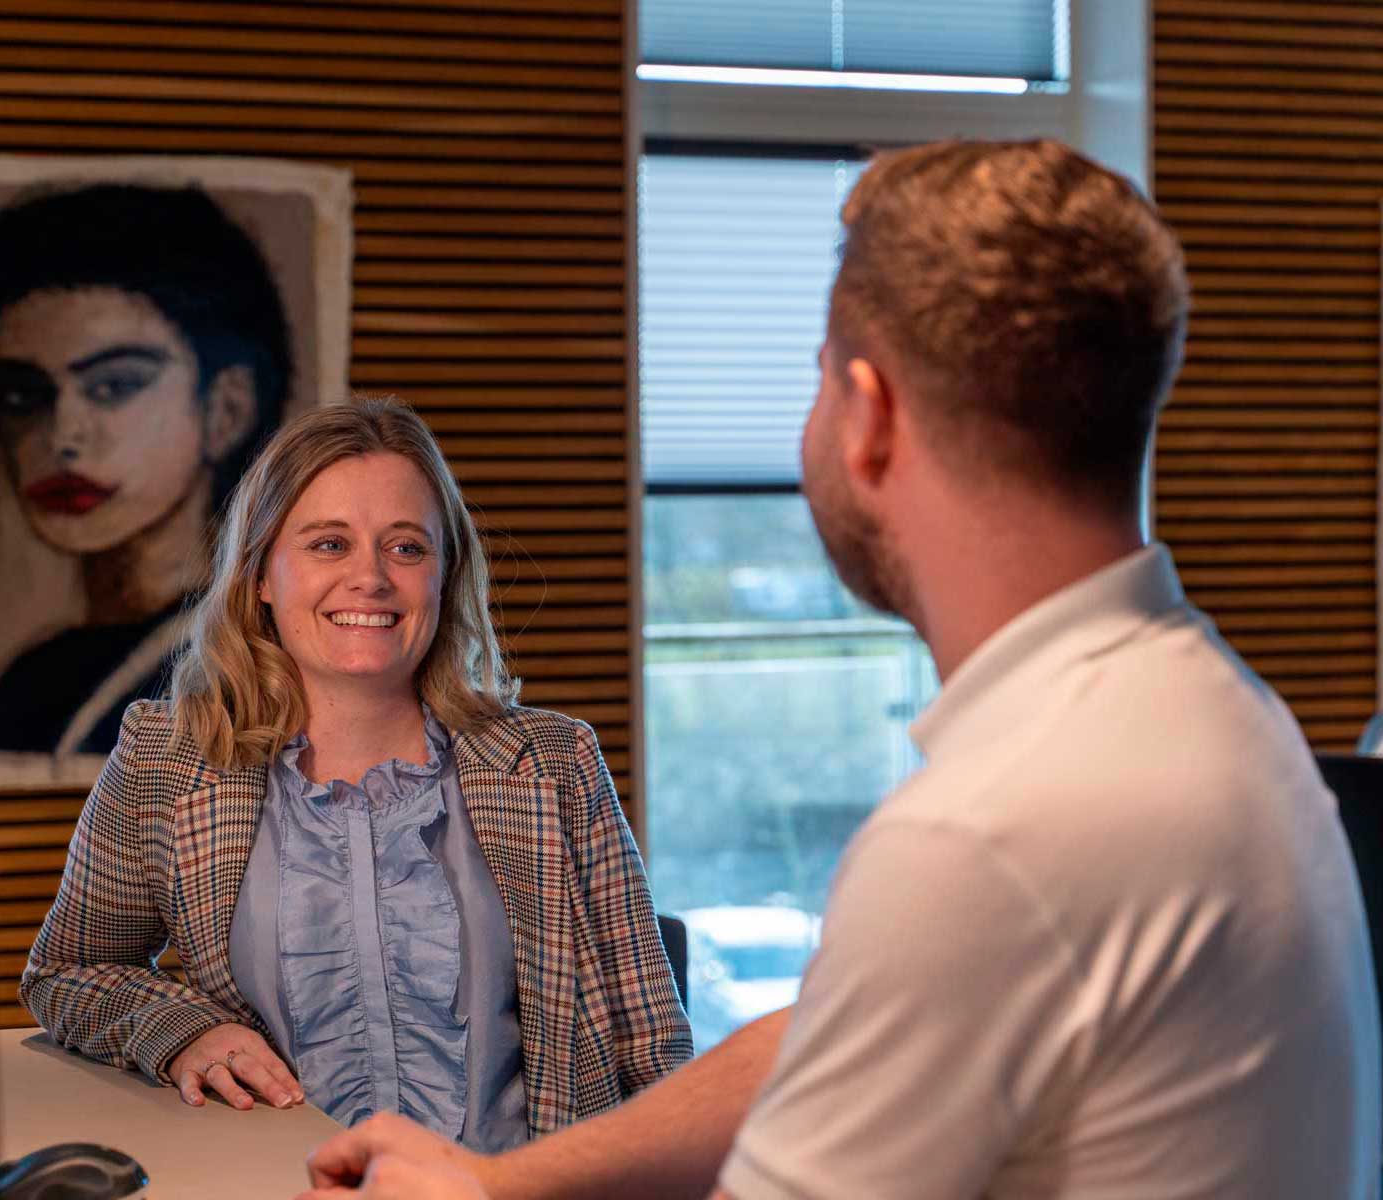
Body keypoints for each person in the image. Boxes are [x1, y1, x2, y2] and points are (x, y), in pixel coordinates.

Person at [297, 139, 1382, 1198]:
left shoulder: (985, 837)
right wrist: (502, 1182)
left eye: (815, 382)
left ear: (870, 413)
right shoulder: (1212, 707)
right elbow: (836, 1033)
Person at [20, 398, 691, 1150]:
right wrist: (182, 1031)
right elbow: (68, 973)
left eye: (406, 547)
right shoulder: (165, 761)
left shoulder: (553, 764)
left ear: (444, 575)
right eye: (329, 544)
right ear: (261, 575)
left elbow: (652, 1049)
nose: (369, 578)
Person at [0, 182, 289, 760]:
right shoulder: (32, 684)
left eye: (115, 385)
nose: (63, 435)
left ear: (226, 410)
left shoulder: (253, 664)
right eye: (23, 396)